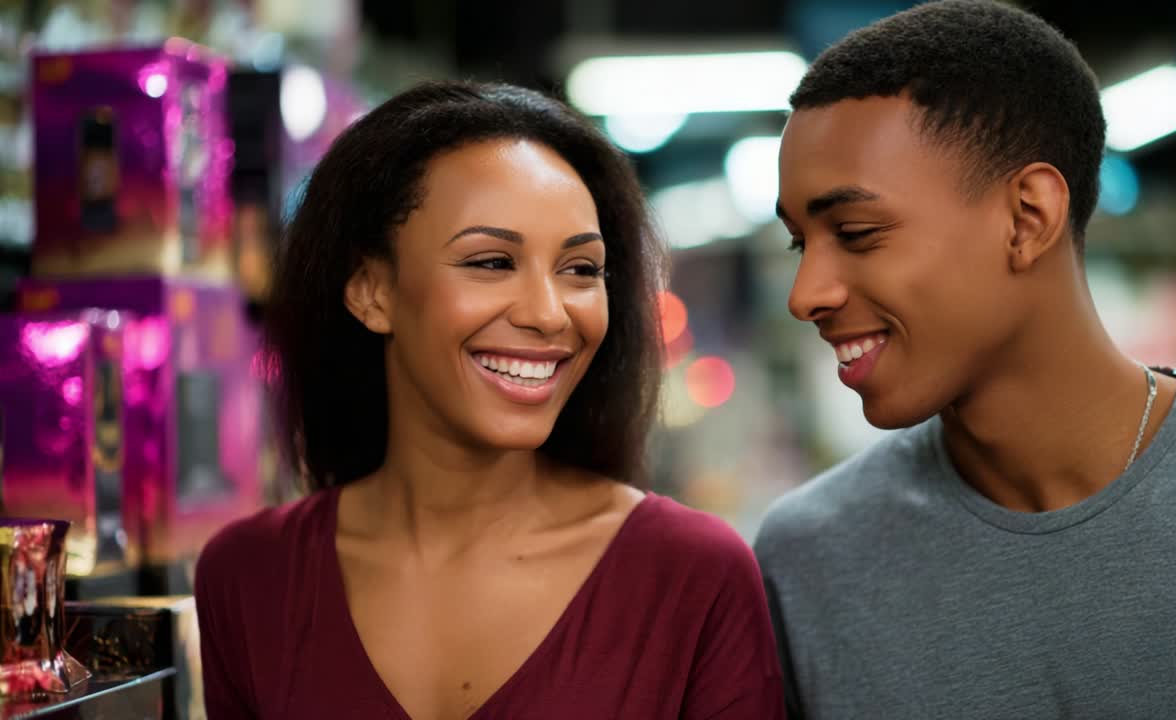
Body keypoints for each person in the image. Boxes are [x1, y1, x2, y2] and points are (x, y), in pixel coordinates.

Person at [754, 1, 1176, 717]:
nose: (805, 294)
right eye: (799, 242)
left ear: (1028, 218)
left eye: (856, 232)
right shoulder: (809, 561)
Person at [195, 80, 784, 719]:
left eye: (581, 270)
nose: (549, 314)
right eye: (492, 262)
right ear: (371, 290)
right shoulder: (249, 576)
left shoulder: (693, 575)